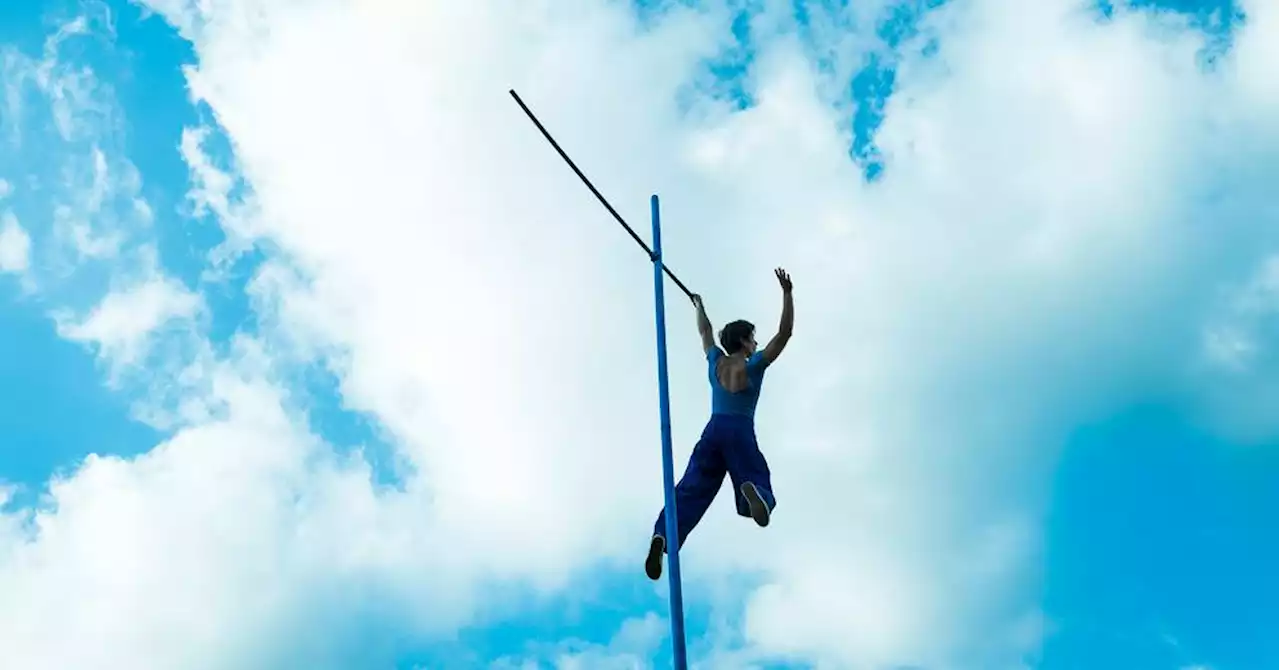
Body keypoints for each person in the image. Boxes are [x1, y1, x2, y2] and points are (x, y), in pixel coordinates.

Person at [645, 267, 794, 581]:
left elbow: (705, 332)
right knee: (754, 471)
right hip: (739, 429)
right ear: (744, 341)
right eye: (753, 339)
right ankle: (754, 492)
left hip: (712, 431)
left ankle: (664, 534)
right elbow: (784, 336)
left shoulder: (716, 361)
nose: (756, 343)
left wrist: (699, 307)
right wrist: (787, 294)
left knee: (691, 487)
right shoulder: (753, 364)